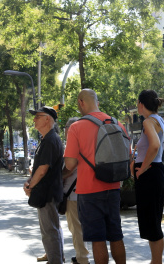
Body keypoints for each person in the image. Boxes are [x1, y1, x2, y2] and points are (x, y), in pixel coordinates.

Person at [63, 89, 127, 264]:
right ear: (97, 102)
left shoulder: (76, 127)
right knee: (116, 235)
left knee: (98, 239)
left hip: (89, 191)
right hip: (113, 188)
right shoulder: (116, 123)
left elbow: (69, 164)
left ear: (81, 102)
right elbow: (127, 155)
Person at [23, 106, 64, 264]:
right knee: (52, 229)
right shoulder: (48, 139)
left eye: (38, 116)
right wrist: (30, 182)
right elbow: (39, 168)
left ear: (47, 119)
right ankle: (56, 257)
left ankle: (55, 261)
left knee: (49, 231)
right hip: (48, 191)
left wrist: (30, 186)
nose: (34, 119)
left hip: (48, 193)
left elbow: (43, 170)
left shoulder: (50, 140)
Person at [132, 90, 164, 264]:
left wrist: (141, 169)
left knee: (152, 224)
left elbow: (154, 145)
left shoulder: (148, 121)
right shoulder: (160, 120)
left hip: (150, 173)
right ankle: (156, 261)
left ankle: (156, 261)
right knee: (154, 222)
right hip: (158, 170)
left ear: (140, 103)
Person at [63, 117, 90, 264]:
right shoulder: (86, 142)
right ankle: (81, 255)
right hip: (83, 191)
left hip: (73, 193)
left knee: (76, 228)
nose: (66, 131)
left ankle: (82, 259)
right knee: (79, 227)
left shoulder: (74, 143)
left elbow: (69, 167)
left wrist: (56, 176)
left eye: (67, 127)